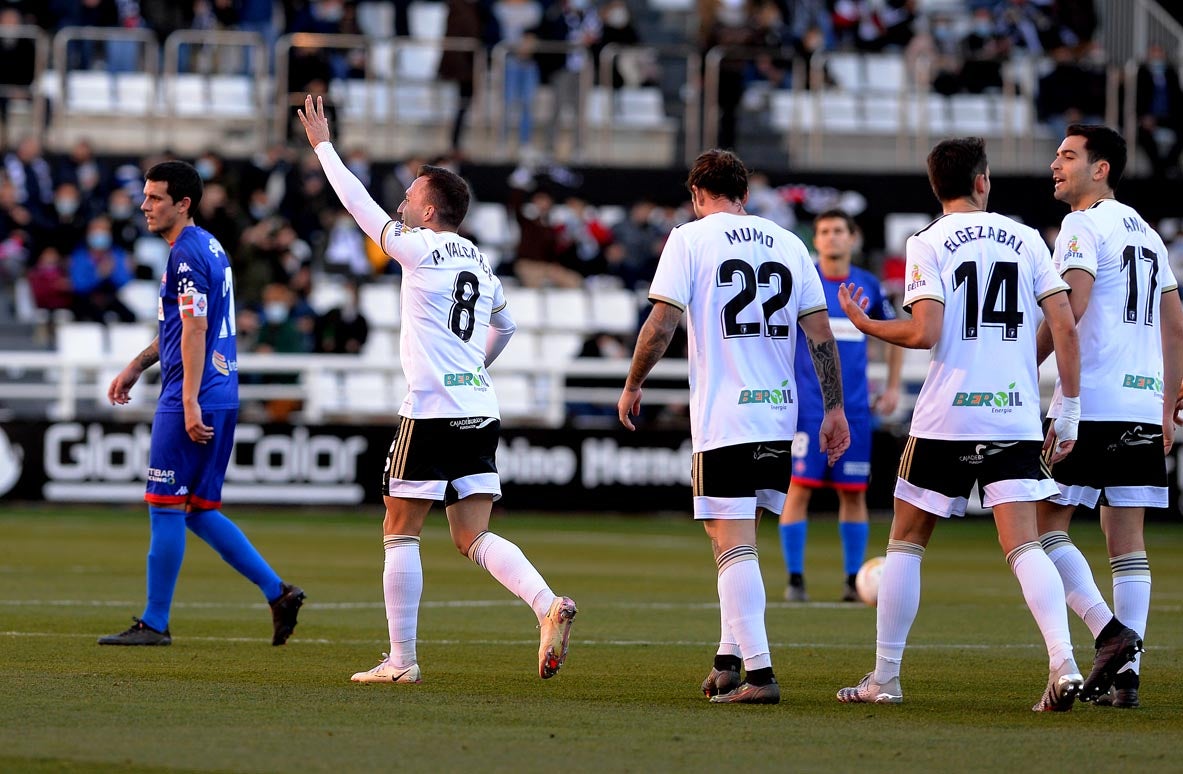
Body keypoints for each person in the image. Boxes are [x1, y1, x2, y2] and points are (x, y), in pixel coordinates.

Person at [298, 95, 577, 684]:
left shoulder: (418, 249)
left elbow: (357, 203)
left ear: (430, 211)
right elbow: (507, 325)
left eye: (410, 197)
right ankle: (546, 603)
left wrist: (323, 144)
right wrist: (473, 367)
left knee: (399, 529)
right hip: (478, 405)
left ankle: (401, 661)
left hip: (430, 410)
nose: (401, 203)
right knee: (471, 534)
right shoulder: (478, 259)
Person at [833, 136, 1086, 712]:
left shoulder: (926, 241)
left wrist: (865, 323)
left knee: (906, 541)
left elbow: (925, 333)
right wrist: (1066, 409)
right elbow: (1065, 328)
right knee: (1025, 544)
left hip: (948, 413)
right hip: (1014, 415)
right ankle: (1063, 662)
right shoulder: (1026, 237)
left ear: (934, 186)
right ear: (983, 181)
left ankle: (886, 678)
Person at [617, 148, 851, 705]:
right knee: (731, 537)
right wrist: (834, 408)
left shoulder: (690, 239)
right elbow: (821, 334)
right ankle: (727, 658)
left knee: (732, 545)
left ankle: (761, 674)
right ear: (744, 195)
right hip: (778, 415)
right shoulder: (791, 243)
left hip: (727, 416)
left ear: (698, 195)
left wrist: (632, 382)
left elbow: (662, 322)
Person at [100, 160, 305, 647]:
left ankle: (154, 622)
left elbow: (193, 331)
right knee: (198, 508)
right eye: (145, 196)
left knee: (165, 507)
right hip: (221, 392)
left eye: (155, 198)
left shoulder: (186, 254)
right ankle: (278, 592)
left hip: (191, 395)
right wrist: (136, 366)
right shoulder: (209, 245)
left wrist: (187, 400)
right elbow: (182, 328)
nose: (144, 206)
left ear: (182, 204)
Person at [1035, 124, 1183, 708]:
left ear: (1101, 169)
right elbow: (1175, 322)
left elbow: (1071, 306)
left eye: (1068, 155)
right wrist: (1171, 401)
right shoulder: (1148, 234)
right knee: (1129, 544)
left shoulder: (1081, 224)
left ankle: (1108, 634)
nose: (1056, 164)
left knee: (1040, 529)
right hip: (1143, 404)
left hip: (1092, 402)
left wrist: (1025, 366)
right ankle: (1128, 680)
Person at [779, 209, 902, 603]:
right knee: (798, 489)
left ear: (853, 238)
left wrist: (892, 386)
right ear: (814, 240)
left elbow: (895, 333)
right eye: (824, 231)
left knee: (853, 494)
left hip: (855, 409)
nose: (831, 238)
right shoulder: (802, 281)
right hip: (808, 408)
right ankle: (795, 579)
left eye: (838, 231)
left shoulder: (867, 285)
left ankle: (852, 580)